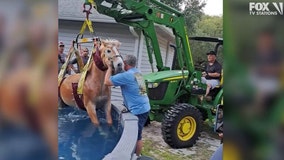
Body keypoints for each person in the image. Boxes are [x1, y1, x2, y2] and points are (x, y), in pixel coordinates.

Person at [104, 54, 150, 158]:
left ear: (125, 63)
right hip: (145, 107)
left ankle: (137, 156)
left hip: (138, 110)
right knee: (138, 134)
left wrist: (109, 68)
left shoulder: (126, 76)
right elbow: (142, 90)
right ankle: (138, 155)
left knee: (136, 137)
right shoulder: (138, 72)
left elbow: (106, 81)